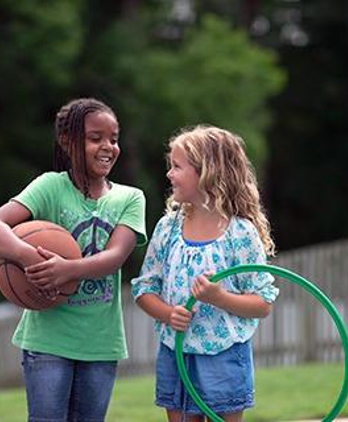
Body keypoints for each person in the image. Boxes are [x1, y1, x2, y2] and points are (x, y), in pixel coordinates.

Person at [0, 97, 147, 422]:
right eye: (95, 138)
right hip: (47, 340)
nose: (107, 146)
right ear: (67, 142)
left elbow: (115, 256)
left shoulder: (130, 197)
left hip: (100, 342)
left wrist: (66, 270)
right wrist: (27, 256)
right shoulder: (50, 187)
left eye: (114, 138)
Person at [131, 125, 279, 422]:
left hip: (223, 355)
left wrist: (220, 297)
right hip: (176, 350)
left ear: (206, 172)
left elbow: (263, 303)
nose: (169, 174)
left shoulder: (240, 232)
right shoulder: (168, 228)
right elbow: (143, 289)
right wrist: (168, 313)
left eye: (176, 167)